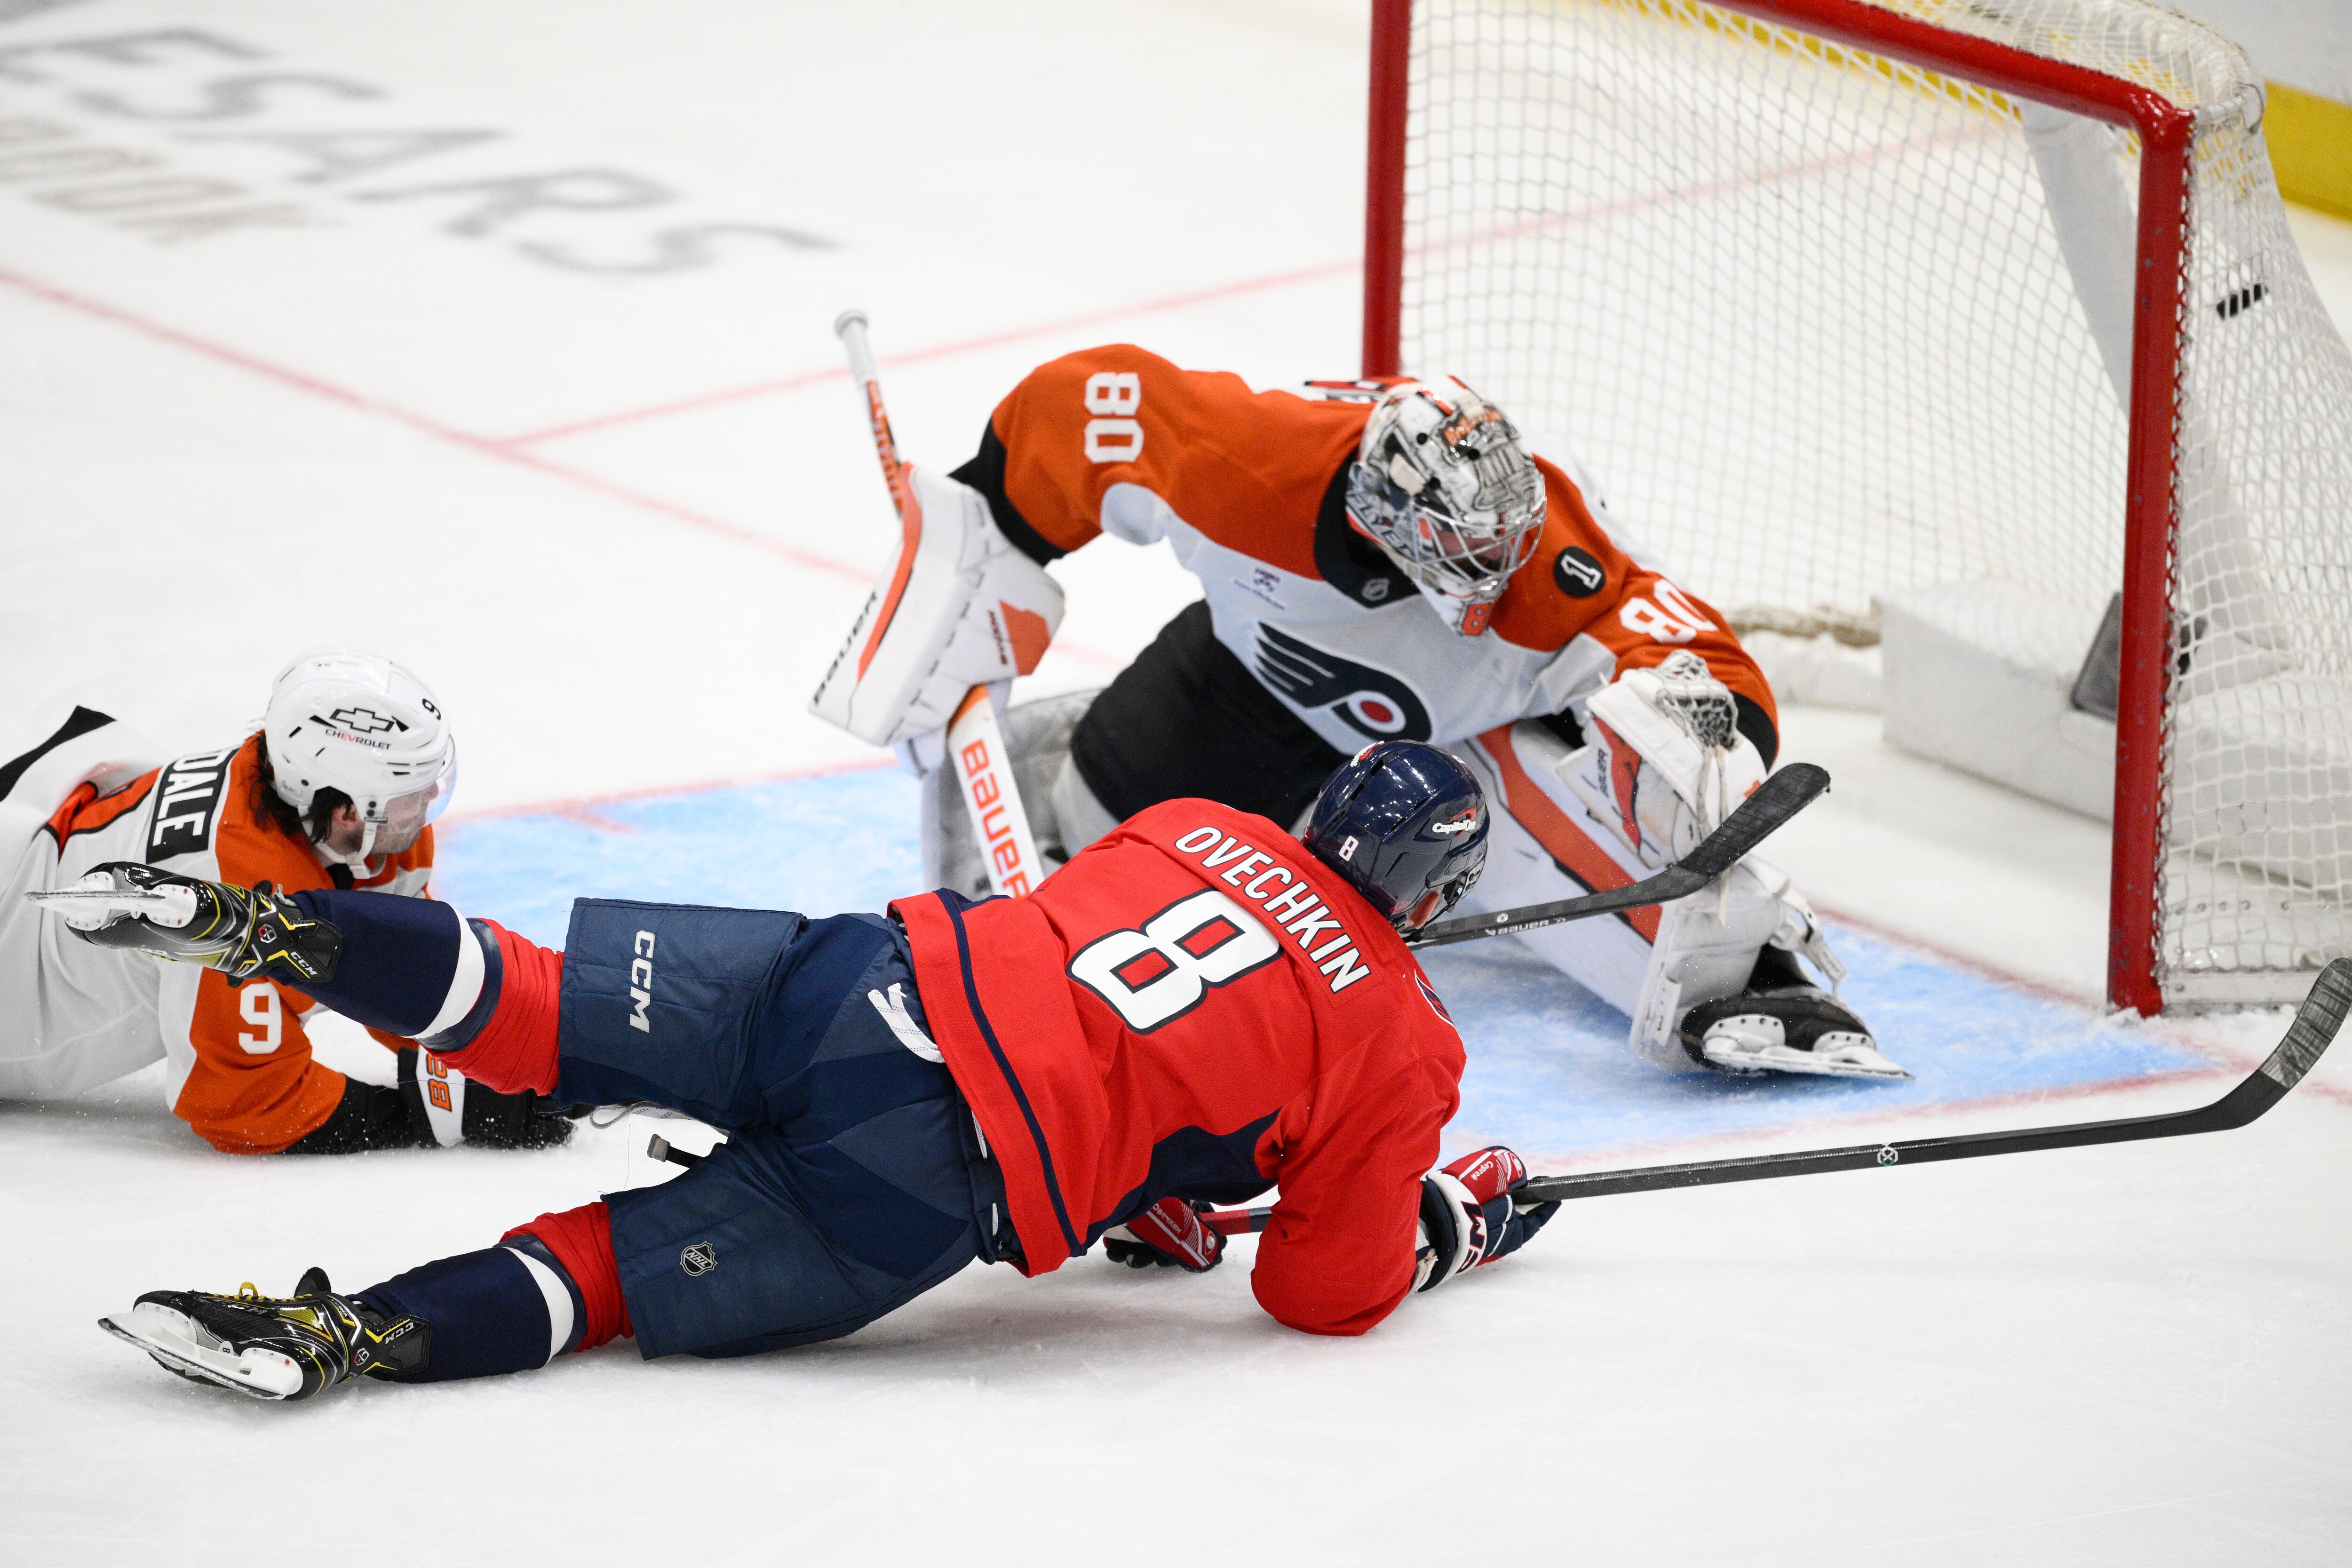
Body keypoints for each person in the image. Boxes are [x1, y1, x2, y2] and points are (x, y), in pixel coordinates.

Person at [58, 742, 1556, 1400]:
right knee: (597, 1275)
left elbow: (1126, 1010)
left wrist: (1156, 1177)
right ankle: (347, 1338)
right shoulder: (1406, 1041)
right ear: (1431, 890)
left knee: (517, 995)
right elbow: (1313, 1287)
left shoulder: (1194, 822)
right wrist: (1443, 1222)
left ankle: (266, 922)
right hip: (919, 1178)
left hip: (852, 983)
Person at [809, 348, 1906, 1081]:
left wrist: (1703, 735)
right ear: (1380, 514)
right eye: (1462, 558)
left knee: (1562, 770)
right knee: (1103, 872)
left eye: (1501, 550)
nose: (1490, 583)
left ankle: (1745, 976)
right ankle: (1037, 846)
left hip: (1431, 765)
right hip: (1235, 691)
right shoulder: (1251, 463)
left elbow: (1691, 644)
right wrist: (982, 536)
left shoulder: (1550, 561)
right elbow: (1076, 410)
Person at [0, 650, 569, 1154]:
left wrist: (496, 1048)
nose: (427, 801)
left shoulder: (347, 824)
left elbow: (397, 968)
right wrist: (422, 1116)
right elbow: (241, 1103)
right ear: (348, 811)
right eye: (410, 789)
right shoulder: (233, 890)